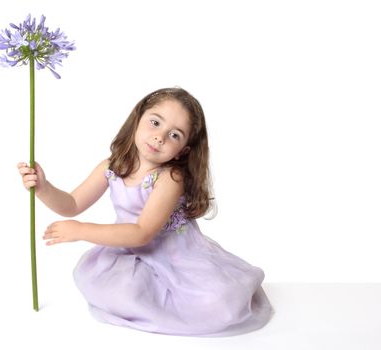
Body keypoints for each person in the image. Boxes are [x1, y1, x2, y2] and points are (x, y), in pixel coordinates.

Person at [17, 87, 274, 336]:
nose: (160, 136)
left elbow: (141, 233)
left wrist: (82, 231)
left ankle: (173, 309)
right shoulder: (112, 167)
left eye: (175, 135)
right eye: (155, 122)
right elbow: (72, 204)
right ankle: (146, 303)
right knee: (111, 287)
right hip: (127, 250)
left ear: (182, 151)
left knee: (219, 303)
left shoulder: (170, 178)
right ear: (137, 120)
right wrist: (43, 188)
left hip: (174, 256)